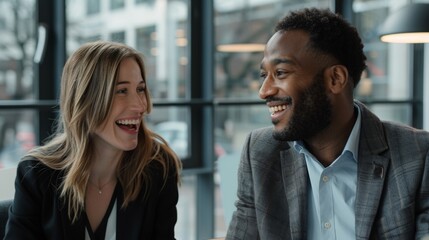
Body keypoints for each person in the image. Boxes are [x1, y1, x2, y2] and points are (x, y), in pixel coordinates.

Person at [226, 8, 429, 240]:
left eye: (280, 72)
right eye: (264, 75)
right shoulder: (260, 152)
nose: (264, 91)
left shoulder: (418, 154)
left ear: (335, 79)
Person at [4, 41, 182, 239]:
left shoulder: (158, 167)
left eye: (140, 90)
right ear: (85, 100)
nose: (141, 106)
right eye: (121, 91)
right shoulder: (36, 174)